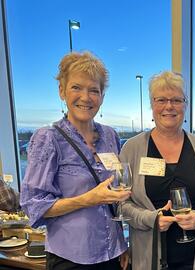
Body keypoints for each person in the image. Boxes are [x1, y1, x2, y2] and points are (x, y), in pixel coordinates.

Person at [20, 51, 131, 270]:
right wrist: (88, 199)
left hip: (113, 253)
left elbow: (115, 196)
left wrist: (123, 243)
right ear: (62, 91)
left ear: (102, 97)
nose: (86, 97)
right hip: (71, 257)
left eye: (94, 90)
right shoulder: (48, 138)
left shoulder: (110, 135)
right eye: (76, 87)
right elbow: (32, 205)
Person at [120, 71, 195, 270]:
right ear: (152, 105)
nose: (169, 106)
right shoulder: (132, 149)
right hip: (148, 259)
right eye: (161, 100)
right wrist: (150, 219)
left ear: (185, 105)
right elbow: (122, 204)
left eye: (177, 100)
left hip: (194, 259)